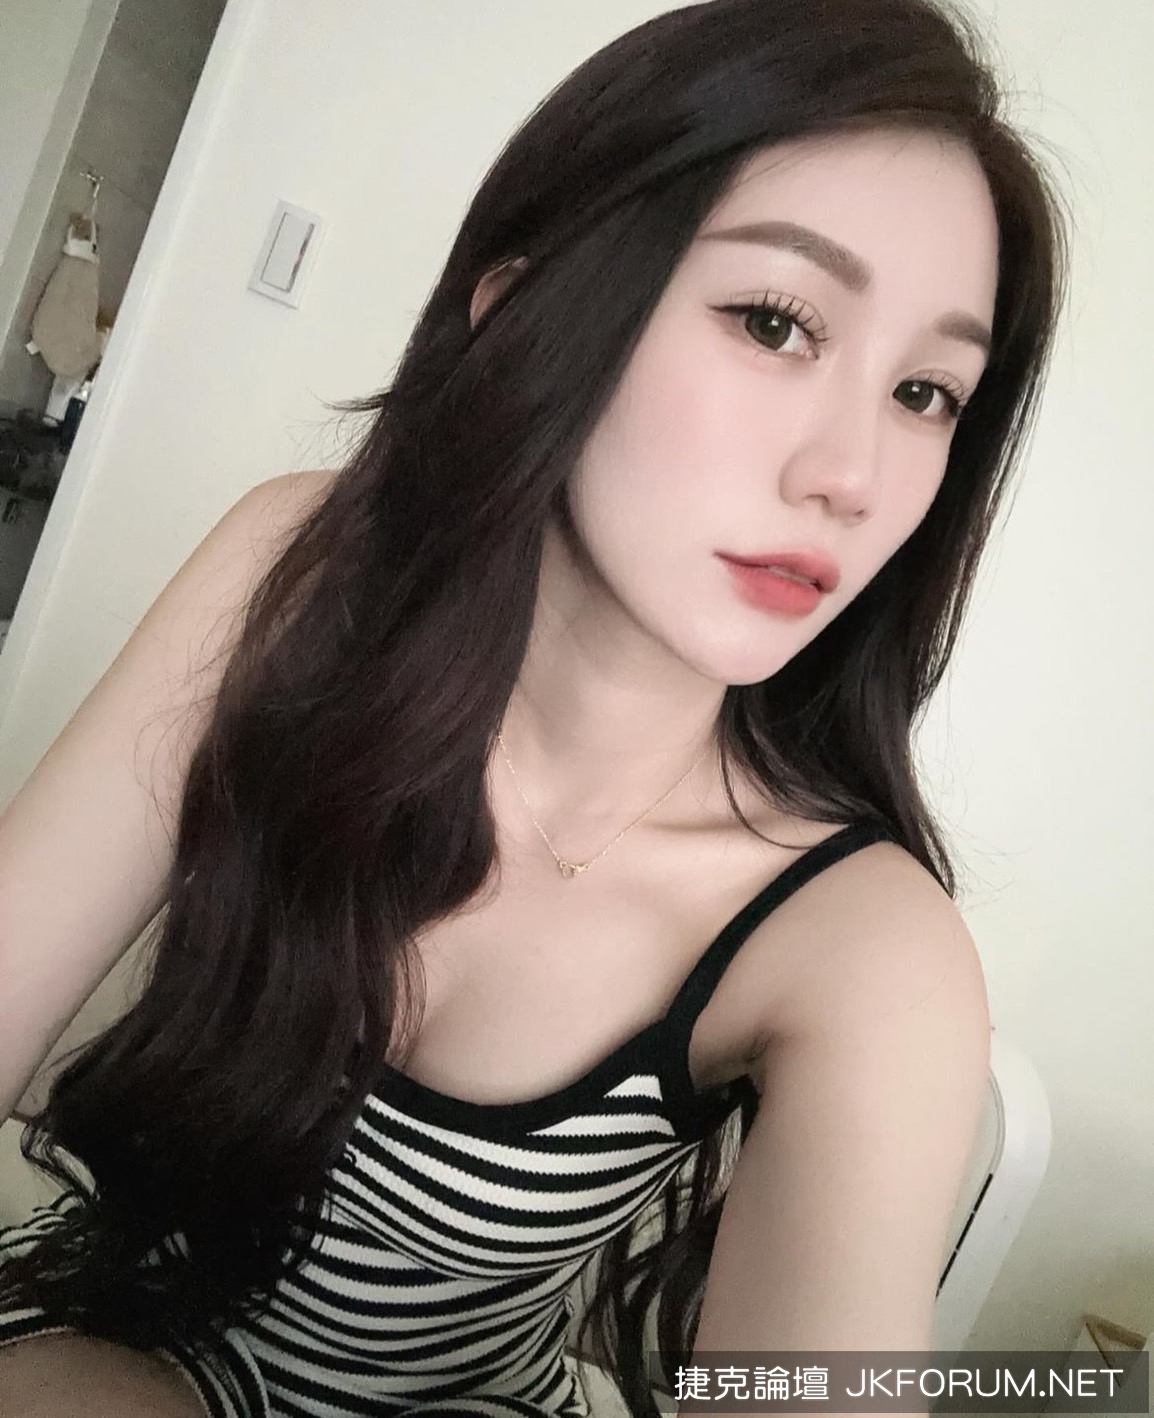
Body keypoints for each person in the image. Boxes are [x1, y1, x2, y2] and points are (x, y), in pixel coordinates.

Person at [0, 0, 1070, 1413]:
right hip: (139, 1344)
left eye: (927, 392)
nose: (851, 476)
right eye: (775, 322)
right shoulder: (296, 580)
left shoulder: (858, 945)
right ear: (525, 308)